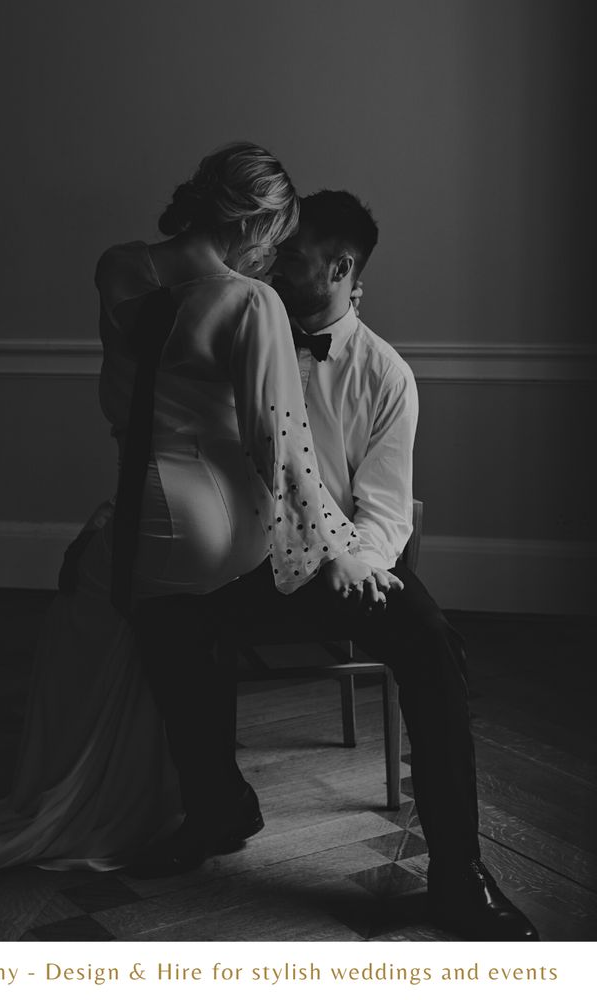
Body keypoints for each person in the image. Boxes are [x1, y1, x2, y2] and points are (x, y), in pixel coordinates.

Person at [0, 145, 376, 874]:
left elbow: (134, 409)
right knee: (114, 609)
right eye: (274, 233)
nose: (272, 252)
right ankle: (148, 796)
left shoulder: (118, 267)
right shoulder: (248, 301)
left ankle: (105, 789)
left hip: (147, 500)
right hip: (221, 521)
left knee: (90, 615)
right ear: (252, 221)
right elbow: (281, 446)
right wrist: (337, 544)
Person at [130, 190, 539, 943]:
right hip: (239, 556)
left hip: (338, 568)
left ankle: (458, 872)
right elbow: (170, 440)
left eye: (293, 255)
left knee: (430, 636)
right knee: (162, 610)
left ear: (341, 266)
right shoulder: (238, 318)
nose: (272, 264)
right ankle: (218, 806)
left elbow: (385, 514)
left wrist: (349, 562)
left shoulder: (386, 376)